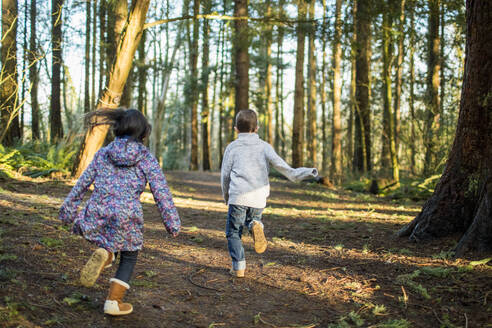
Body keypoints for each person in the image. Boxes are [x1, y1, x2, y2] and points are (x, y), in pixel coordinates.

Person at [59, 108, 180, 316]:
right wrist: (172, 223)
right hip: (127, 213)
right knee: (130, 255)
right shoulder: (146, 157)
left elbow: (82, 183)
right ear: (142, 133)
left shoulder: (103, 153)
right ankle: (113, 302)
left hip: (99, 209)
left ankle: (106, 254)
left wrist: (68, 211)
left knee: (108, 241)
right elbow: (161, 192)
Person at [221, 109, 317, 278]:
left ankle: (239, 267)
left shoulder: (232, 147)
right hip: (258, 198)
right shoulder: (264, 147)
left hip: (238, 196)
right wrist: (305, 173)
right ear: (257, 128)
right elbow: (283, 167)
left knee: (234, 232)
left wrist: (226, 196)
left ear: (236, 129)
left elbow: (225, 175)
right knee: (252, 220)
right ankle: (255, 224)